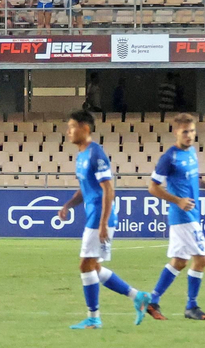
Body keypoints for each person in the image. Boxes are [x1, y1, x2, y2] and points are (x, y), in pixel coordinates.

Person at [55, 109, 151, 330]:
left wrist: (103, 223)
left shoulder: (96, 153)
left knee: (85, 265)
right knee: (94, 266)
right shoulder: (81, 155)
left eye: (72, 127)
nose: (68, 131)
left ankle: (94, 317)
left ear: (85, 128)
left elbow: (109, 189)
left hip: (99, 217)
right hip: (94, 216)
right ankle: (138, 297)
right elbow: (85, 188)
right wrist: (68, 205)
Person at [141, 112, 205, 322]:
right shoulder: (169, 157)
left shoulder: (191, 152)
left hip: (191, 214)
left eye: (192, 131)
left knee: (180, 261)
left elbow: (189, 177)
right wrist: (178, 201)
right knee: (201, 259)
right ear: (176, 132)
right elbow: (152, 188)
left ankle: (153, 300)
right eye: (185, 132)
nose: (189, 135)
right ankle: (191, 306)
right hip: (184, 216)